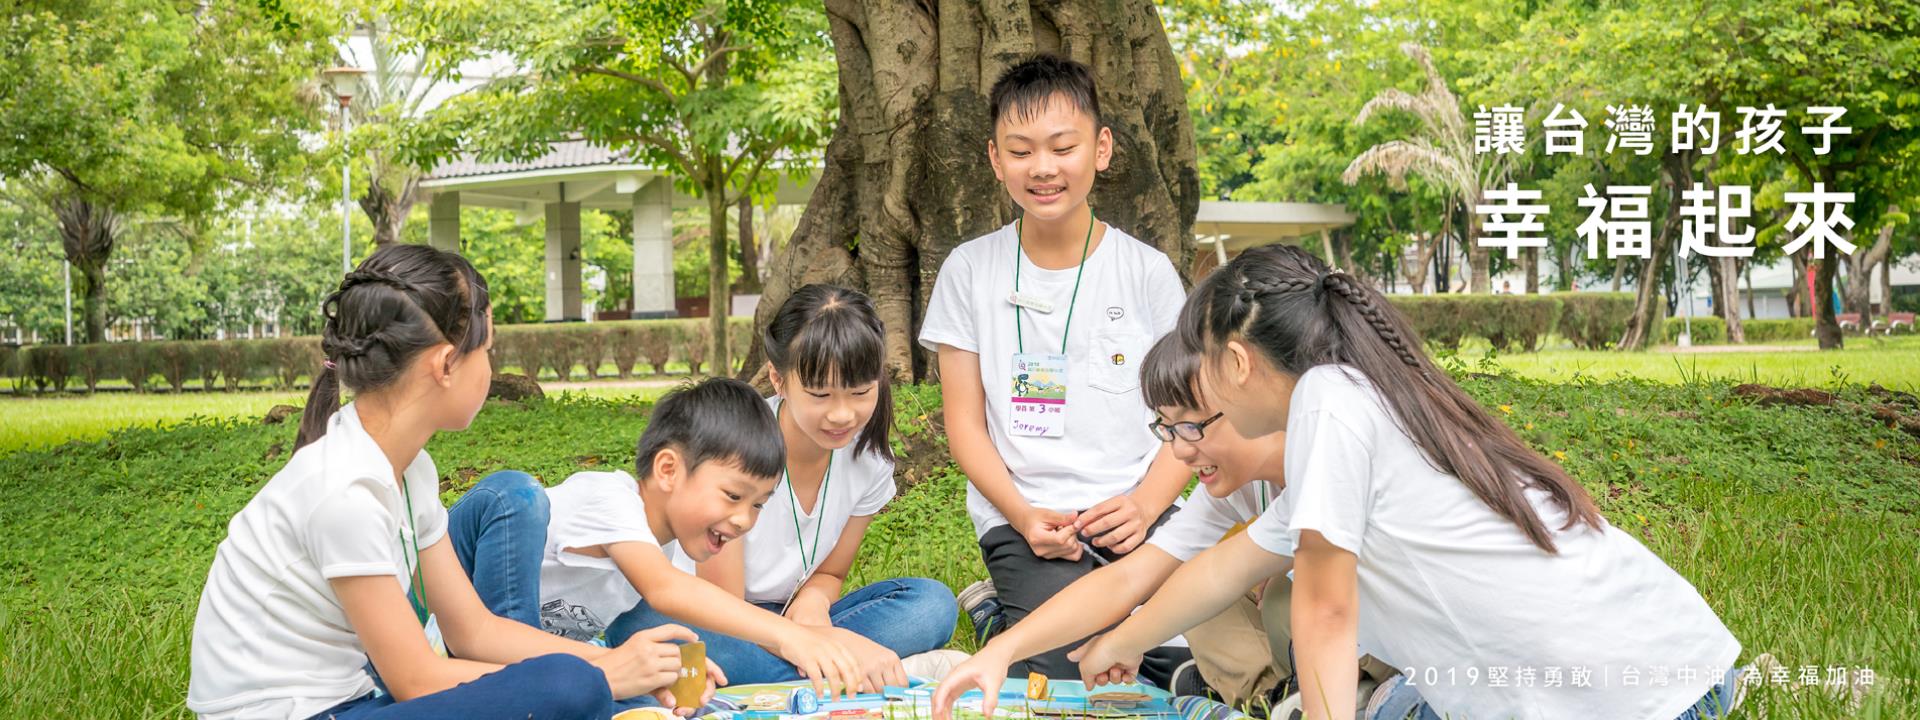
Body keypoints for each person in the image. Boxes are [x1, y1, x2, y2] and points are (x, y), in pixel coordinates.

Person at [1067, 244, 1746, 720]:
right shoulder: (1367, 395)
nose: (1201, 387)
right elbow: (1217, 573)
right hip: (1684, 667)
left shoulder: (1328, 403)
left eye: (1206, 368)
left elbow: (1326, 615)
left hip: (1629, 701)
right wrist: (1118, 642)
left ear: (1240, 362)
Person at [189, 244, 695, 720]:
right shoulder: (345, 493)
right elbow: (417, 681)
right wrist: (602, 674)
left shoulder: (408, 470)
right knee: (571, 686)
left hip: (353, 701)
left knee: (573, 679)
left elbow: (473, 630)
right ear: (447, 364)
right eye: (487, 351)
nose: (492, 368)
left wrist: (611, 664)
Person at [917, 52, 1192, 683]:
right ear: (995, 160)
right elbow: (964, 426)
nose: (1043, 168)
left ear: (1100, 149)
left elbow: (1190, 416)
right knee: (1061, 671)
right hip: (1029, 514)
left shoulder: (1146, 272)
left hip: (1136, 510)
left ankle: (1010, 615)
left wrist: (1145, 506)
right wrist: (1021, 515)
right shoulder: (969, 269)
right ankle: (1005, 615)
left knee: (1186, 659)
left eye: (1062, 147)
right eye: (1021, 151)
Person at [447, 378, 870, 701]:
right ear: (668, 470)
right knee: (518, 496)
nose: (744, 520)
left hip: (524, 658)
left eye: (758, 505)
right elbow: (666, 590)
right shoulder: (611, 499)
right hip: (457, 615)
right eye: (734, 495)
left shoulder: (665, 549)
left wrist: (656, 674)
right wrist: (790, 635)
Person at [679, 285, 960, 688]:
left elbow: (830, 573)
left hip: (789, 618)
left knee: (931, 606)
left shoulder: (870, 462)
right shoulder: (735, 444)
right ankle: (858, 671)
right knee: (699, 645)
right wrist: (819, 639)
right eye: (820, 394)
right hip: (715, 615)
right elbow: (722, 605)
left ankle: (819, 669)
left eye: (860, 391)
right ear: (778, 378)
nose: (842, 413)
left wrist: (813, 606)